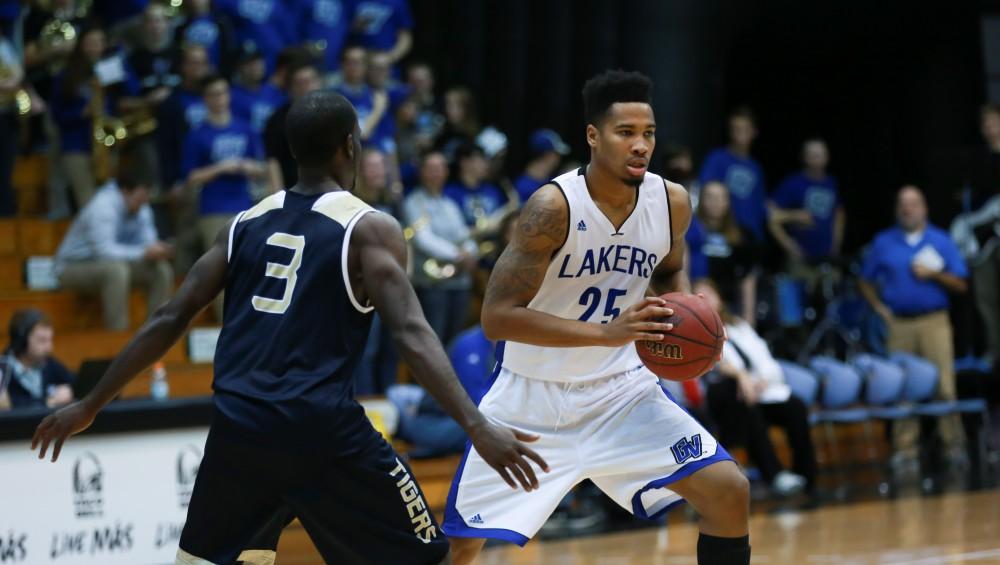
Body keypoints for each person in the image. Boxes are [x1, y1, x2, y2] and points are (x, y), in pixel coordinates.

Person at [31, 90, 545, 565]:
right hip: (320, 430)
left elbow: (170, 316)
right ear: (349, 145)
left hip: (240, 428)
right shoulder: (369, 227)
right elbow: (411, 333)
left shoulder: (245, 221)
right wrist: (476, 426)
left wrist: (89, 403)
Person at [445, 70, 750, 565]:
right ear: (593, 136)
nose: (640, 146)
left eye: (648, 134)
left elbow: (671, 276)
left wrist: (687, 329)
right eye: (624, 133)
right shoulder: (552, 207)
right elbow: (497, 318)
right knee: (460, 548)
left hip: (620, 391)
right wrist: (607, 333)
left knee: (728, 490)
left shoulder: (672, 202)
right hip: (531, 401)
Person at [859, 185, 969, 466]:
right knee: (902, 387)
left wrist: (934, 274)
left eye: (914, 203)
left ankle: (953, 445)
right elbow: (865, 279)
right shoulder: (884, 241)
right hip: (900, 324)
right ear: (897, 209)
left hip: (934, 321)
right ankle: (906, 450)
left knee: (944, 383)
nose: (908, 209)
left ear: (924, 208)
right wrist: (880, 309)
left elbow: (961, 283)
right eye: (903, 204)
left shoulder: (940, 240)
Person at [694, 279, 818, 498]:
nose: (705, 300)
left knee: (795, 407)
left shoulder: (739, 327)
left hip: (761, 391)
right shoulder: (695, 333)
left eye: (709, 294)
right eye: (698, 296)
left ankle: (806, 475)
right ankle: (775, 475)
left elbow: (767, 362)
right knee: (741, 398)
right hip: (727, 400)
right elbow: (718, 363)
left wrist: (760, 381)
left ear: (720, 298)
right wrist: (742, 377)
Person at [54, 173, 175, 331]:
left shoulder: (142, 206)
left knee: (161, 270)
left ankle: (156, 333)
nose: (144, 203)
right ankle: (118, 336)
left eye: (146, 198)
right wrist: (143, 252)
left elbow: (148, 242)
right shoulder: (102, 206)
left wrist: (159, 249)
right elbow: (104, 252)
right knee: (116, 271)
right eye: (140, 198)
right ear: (125, 191)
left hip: (114, 264)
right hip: (72, 268)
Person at [402, 151, 478, 346]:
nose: (437, 173)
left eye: (441, 168)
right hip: (432, 284)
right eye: (431, 168)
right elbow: (423, 239)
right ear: (422, 172)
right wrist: (458, 254)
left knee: (455, 341)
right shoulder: (413, 202)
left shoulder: (450, 204)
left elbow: (464, 236)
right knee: (432, 342)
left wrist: (471, 251)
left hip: (459, 282)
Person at [686, 180, 760, 325]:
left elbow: (748, 279)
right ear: (702, 200)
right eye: (710, 197)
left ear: (728, 202)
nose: (716, 202)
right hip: (695, 303)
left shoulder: (742, 235)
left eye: (721, 197)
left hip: (729, 307)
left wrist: (749, 317)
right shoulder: (689, 230)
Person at [769, 138, 845, 274]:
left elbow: (839, 214)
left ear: (827, 157)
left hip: (827, 260)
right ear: (804, 158)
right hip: (800, 261)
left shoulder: (831, 183)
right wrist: (794, 217)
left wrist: (836, 246)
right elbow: (771, 215)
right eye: (812, 155)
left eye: (820, 154)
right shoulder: (793, 183)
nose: (816, 158)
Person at [698, 107, 767, 241]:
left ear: (754, 132)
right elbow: (704, 193)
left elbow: (760, 205)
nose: (739, 134)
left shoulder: (756, 168)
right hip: (722, 234)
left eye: (744, 129)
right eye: (735, 129)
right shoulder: (717, 158)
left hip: (751, 235)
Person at [264, 60, 322, 191]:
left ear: (318, 82)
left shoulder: (333, 114)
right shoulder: (278, 119)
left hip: (327, 191)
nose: (305, 87)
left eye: (308, 82)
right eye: (299, 83)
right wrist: (279, 198)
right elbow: (273, 161)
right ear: (291, 88)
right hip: (292, 191)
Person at [1, 310, 75, 410]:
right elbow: (9, 407)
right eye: (42, 340)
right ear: (21, 341)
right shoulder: (3, 369)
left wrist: (68, 391)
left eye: (49, 340)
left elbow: (74, 382)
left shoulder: (49, 363)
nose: (49, 347)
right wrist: (47, 402)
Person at [443, 141, 508, 230]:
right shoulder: (449, 193)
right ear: (464, 162)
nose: (486, 165)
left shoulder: (493, 190)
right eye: (480, 159)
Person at [229, 45, 286, 134]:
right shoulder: (232, 96)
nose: (256, 66)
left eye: (258, 61)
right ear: (238, 67)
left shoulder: (275, 91)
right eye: (249, 63)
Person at [512, 129, 571, 204]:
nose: (559, 159)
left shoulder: (551, 179)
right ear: (548, 155)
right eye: (556, 154)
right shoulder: (523, 187)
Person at [296, 0, 354, 73]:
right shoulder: (305, 2)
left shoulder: (344, 3)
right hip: (308, 66)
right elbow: (294, 28)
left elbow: (346, 28)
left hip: (336, 66)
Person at [349, 0, 413, 66]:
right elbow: (344, 30)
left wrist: (390, 57)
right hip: (357, 63)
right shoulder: (352, 1)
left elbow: (405, 37)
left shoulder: (397, 2)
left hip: (385, 65)